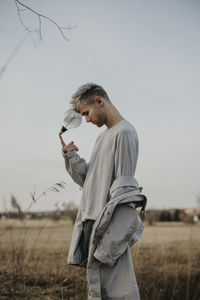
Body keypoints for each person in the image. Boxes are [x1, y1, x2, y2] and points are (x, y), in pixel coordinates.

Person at [59, 83, 147, 300]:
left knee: (118, 292)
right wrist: (71, 157)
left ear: (99, 101)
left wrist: (108, 247)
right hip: (91, 225)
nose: (86, 120)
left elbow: (125, 196)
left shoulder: (124, 132)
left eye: (86, 113)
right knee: (99, 293)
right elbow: (89, 181)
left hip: (107, 230)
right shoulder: (102, 137)